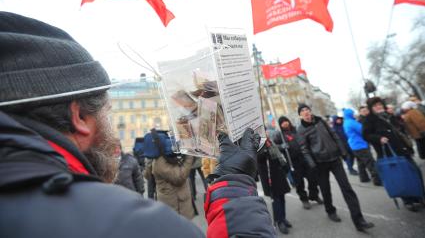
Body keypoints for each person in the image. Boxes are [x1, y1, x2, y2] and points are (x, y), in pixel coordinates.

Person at [0, 12, 276, 238]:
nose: (112, 125)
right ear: (81, 118)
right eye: (108, 112)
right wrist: (236, 187)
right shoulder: (134, 225)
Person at [297, 104, 374, 232]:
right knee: (325, 190)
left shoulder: (321, 121)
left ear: (310, 111)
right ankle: (330, 210)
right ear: (300, 115)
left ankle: (359, 220)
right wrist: (312, 164)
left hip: (335, 160)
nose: (306, 112)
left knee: (347, 188)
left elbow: (334, 135)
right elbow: (304, 150)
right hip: (320, 163)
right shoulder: (301, 129)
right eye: (302, 111)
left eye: (307, 109)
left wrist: (343, 151)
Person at [362, 97, 424, 212]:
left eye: (380, 104)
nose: (378, 107)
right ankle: (408, 200)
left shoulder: (389, 115)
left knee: (414, 172)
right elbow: (366, 135)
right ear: (371, 108)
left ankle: (419, 196)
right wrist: (379, 138)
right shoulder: (369, 120)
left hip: (403, 149)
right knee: (400, 177)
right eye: (375, 106)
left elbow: (400, 127)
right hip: (389, 153)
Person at [273, 116, 322, 210]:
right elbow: (275, 147)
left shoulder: (296, 130)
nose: (285, 123)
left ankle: (314, 195)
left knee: (313, 179)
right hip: (293, 162)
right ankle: (304, 200)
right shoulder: (279, 135)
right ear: (280, 125)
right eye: (282, 123)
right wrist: (281, 147)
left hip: (304, 158)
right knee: (299, 183)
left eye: (286, 121)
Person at [144, 150, 195, 219]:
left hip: (179, 204)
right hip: (175, 207)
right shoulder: (160, 161)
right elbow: (179, 178)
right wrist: (189, 157)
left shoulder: (171, 156)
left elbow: (147, 175)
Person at [258, 136, 292, 234]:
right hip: (269, 175)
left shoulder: (269, 140)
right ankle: (279, 221)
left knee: (282, 196)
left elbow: (278, 153)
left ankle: (283, 218)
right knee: (276, 198)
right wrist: (265, 150)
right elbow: (258, 158)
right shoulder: (256, 143)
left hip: (278, 172)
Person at [343, 109, 381, 185]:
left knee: (361, 162)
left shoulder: (346, 122)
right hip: (360, 144)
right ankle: (377, 180)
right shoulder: (352, 122)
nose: (354, 114)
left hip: (354, 145)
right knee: (370, 162)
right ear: (350, 114)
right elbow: (362, 130)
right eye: (353, 113)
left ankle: (363, 178)